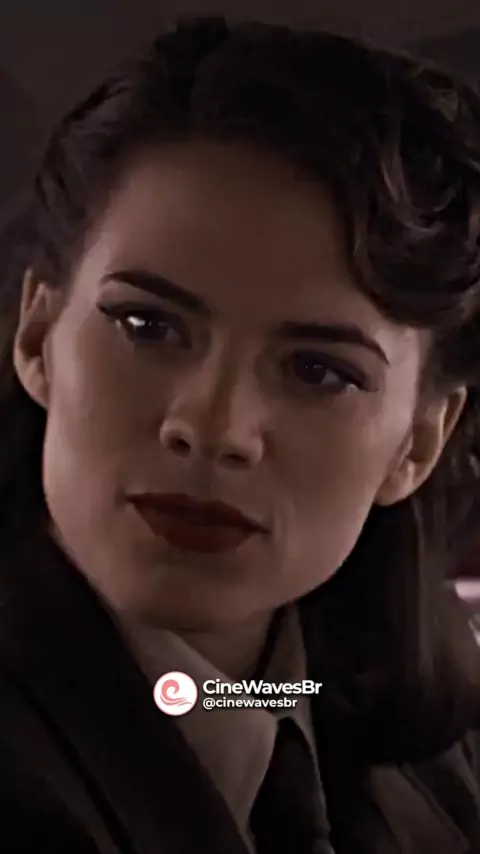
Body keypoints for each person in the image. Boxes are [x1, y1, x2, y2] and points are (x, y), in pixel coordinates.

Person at [0, 16, 479, 854]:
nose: (213, 428)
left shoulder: (423, 739)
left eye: (319, 372)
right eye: (146, 326)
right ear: (39, 339)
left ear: (417, 443)